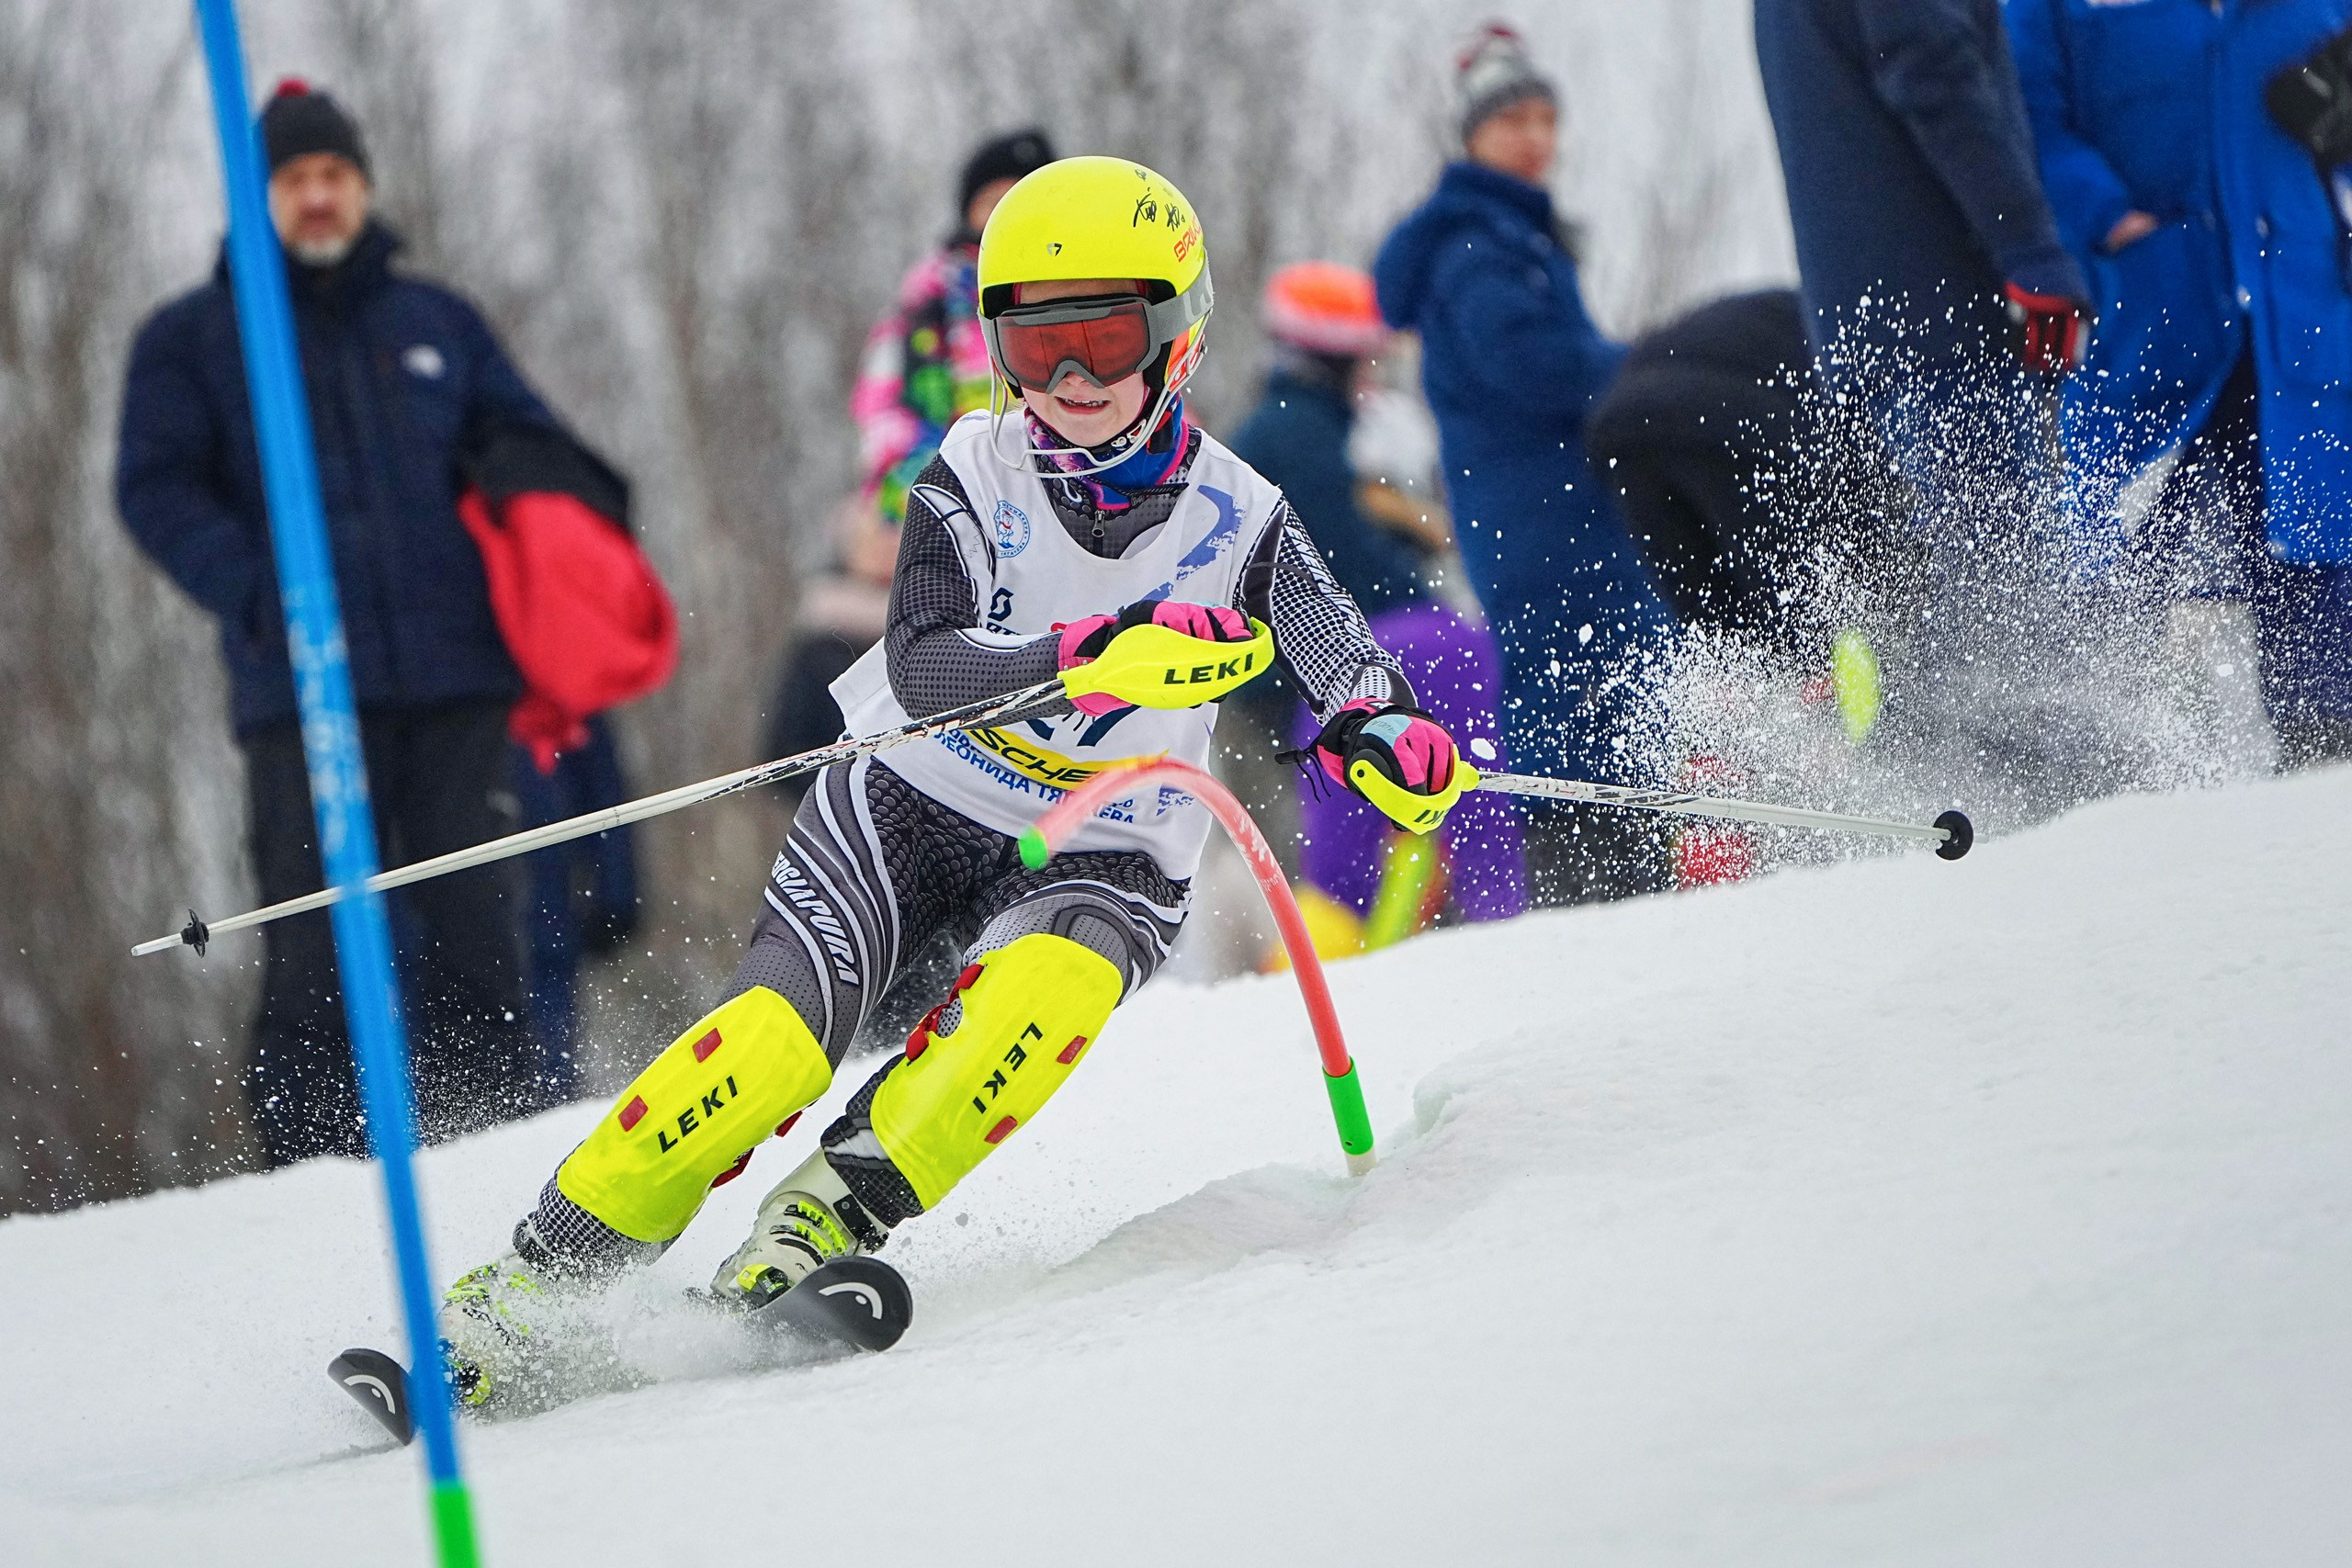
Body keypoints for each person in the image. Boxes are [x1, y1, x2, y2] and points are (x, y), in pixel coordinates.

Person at [433, 157, 1469, 1407]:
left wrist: (1389, 734)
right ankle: (537, 1280)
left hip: (1117, 832)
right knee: (767, 1039)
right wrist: (1093, 653)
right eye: (1036, 350)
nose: (1073, 385)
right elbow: (924, 662)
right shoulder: (970, 474)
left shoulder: (1241, 516)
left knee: (1039, 1001)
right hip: (917, 796)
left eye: (1103, 341)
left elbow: (1339, 653)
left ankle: (818, 1221)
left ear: (1179, 340)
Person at [116, 82, 561, 1166]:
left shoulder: (435, 322)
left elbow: (531, 441)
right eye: (295, 180)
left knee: (475, 931)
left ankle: (494, 1151)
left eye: (334, 177)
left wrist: (542, 532)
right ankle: (310, 1173)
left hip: (456, 681)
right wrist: (257, 590)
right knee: (313, 939)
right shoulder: (194, 338)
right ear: (259, 195)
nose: (318, 199)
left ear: (362, 186)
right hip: (299, 687)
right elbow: (154, 487)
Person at [1374, 23, 1675, 907]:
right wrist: (1651, 370)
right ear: (1471, 135)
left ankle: (1618, 877)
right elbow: (1533, 367)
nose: (1536, 137)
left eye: (1546, 118)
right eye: (1513, 121)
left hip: (1550, 515)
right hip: (1543, 523)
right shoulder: (1478, 247)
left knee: (1600, 690)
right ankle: (1595, 894)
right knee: (1582, 693)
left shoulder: (1513, 238)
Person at [2007, 0, 2352, 766]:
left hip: (2302, 336)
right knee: (2113, 590)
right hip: (2152, 338)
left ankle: (2321, 803)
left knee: (2323, 609)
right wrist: (2108, 219)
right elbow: (2026, 116)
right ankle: (2099, 803)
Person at [1751, 0, 2091, 728]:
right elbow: (1934, 71)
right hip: (1937, 307)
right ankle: (2039, 792)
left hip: (1883, 316)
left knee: (1972, 588)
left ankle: (1977, 777)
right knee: (2010, 596)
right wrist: (2029, 246)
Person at [1227, 262, 1526, 953]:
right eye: (1363, 356)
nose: (1371, 373)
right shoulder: (1303, 438)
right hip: (1280, 698)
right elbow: (1350, 569)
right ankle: (1290, 999)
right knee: (1303, 875)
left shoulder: (1282, 428)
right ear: (1332, 355)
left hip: (1263, 690)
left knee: (1285, 869)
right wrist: (1438, 606)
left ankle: (1286, 981)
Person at [851, 128, 1058, 526]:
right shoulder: (932, 297)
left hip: (1070, 485)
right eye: (992, 201)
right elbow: (885, 406)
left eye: (1019, 199)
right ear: (969, 211)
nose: (1003, 214)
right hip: (957, 494)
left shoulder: (1086, 281)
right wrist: (914, 494)